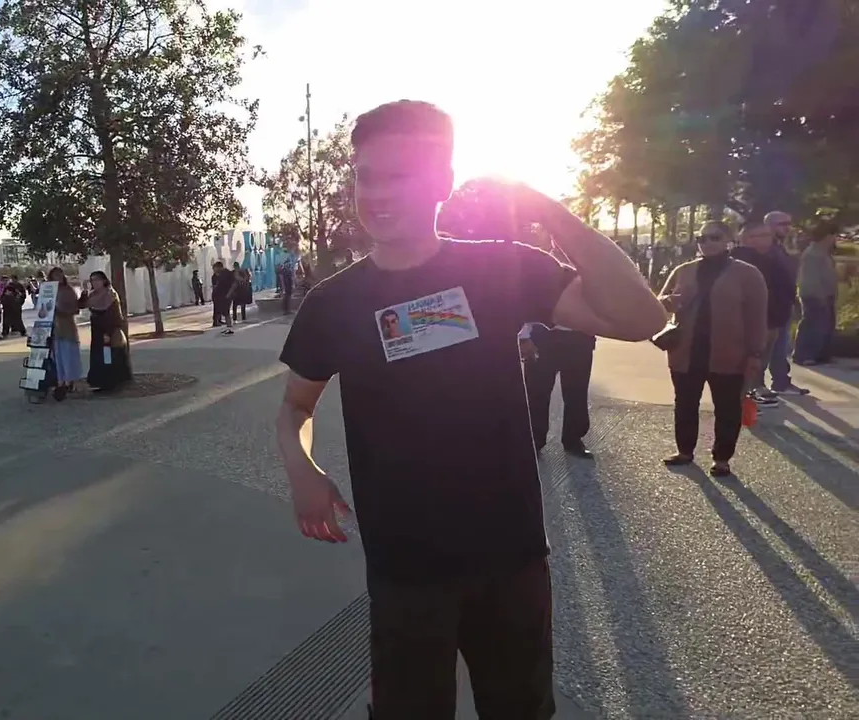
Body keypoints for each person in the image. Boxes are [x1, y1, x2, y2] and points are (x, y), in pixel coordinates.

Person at [274, 100, 665, 719]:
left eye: (399, 175)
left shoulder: (499, 269)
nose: (376, 193)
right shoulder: (333, 304)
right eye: (366, 176)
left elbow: (643, 318)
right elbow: (296, 406)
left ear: (443, 182)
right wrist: (303, 469)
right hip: (405, 565)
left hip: (510, 555)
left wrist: (548, 211)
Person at [657, 221, 767, 476]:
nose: (706, 243)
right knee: (685, 403)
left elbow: (757, 316)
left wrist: (755, 353)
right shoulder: (684, 270)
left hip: (729, 353)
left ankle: (722, 458)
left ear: (728, 240)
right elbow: (659, 302)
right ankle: (684, 450)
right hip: (686, 351)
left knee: (727, 407)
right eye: (701, 238)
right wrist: (669, 302)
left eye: (714, 237)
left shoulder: (747, 274)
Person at [732, 220, 796, 408]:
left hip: (774, 319)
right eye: (762, 235)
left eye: (768, 235)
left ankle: (753, 392)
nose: (769, 239)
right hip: (754, 321)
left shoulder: (773, 256)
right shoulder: (740, 262)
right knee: (747, 363)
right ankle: (742, 401)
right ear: (747, 238)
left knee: (760, 361)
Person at [520, 322, 596, 457]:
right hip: (543, 336)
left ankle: (573, 440)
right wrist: (524, 337)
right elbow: (524, 309)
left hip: (579, 337)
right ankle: (534, 440)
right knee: (536, 393)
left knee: (577, 393)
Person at [763, 211, 808, 395]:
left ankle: (781, 381)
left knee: (780, 344)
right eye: (782, 224)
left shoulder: (782, 247)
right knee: (770, 345)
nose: (787, 227)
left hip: (783, 302)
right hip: (771, 304)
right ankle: (764, 384)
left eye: (789, 223)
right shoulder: (766, 249)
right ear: (769, 226)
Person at [795, 221, 839, 366]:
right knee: (812, 324)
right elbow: (810, 278)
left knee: (826, 325)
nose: (835, 239)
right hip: (814, 295)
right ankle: (804, 355)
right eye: (834, 235)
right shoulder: (812, 254)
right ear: (827, 236)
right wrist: (819, 295)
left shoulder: (824, 253)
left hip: (827, 293)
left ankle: (821, 354)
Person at [85, 270, 131, 391]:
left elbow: (111, 314)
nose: (94, 283)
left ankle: (112, 383)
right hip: (97, 331)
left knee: (109, 356)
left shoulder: (110, 293)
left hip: (109, 330)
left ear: (104, 280)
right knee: (99, 356)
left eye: (97, 280)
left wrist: (108, 332)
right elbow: (83, 304)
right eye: (92, 280)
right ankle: (101, 382)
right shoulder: (93, 294)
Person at [50, 267, 83, 400]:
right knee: (58, 356)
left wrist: (62, 311)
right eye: (54, 276)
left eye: (59, 275)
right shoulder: (50, 290)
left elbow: (75, 309)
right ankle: (61, 381)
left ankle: (70, 381)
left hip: (67, 325)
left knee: (69, 354)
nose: (57, 278)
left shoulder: (68, 290)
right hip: (55, 327)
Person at [211, 261, 234, 331]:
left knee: (225, 311)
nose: (214, 270)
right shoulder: (216, 275)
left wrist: (229, 293)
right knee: (219, 309)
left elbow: (233, 284)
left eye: (215, 268)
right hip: (219, 295)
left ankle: (229, 326)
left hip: (225, 295)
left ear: (219, 267)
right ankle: (218, 323)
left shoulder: (227, 273)